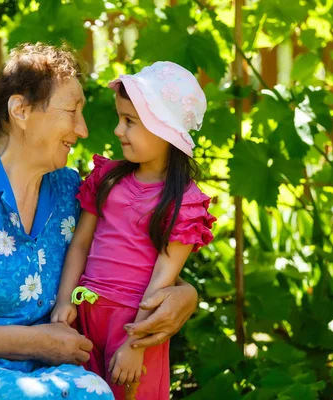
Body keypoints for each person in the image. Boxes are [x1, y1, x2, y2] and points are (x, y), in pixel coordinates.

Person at [0, 44, 199, 400]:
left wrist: (185, 294)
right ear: (21, 111)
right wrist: (35, 342)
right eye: (72, 110)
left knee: (93, 392)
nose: (83, 129)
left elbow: (128, 259)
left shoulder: (68, 190)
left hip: (37, 371)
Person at [51, 61, 216, 399]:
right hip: (85, 317)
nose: (117, 130)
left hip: (134, 325)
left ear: (163, 130)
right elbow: (81, 244)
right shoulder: (108, 179)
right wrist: (66, 300)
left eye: (129, 121)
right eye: (119, 118)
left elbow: (162, 281)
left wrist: (135, 345)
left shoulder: (183, 203)